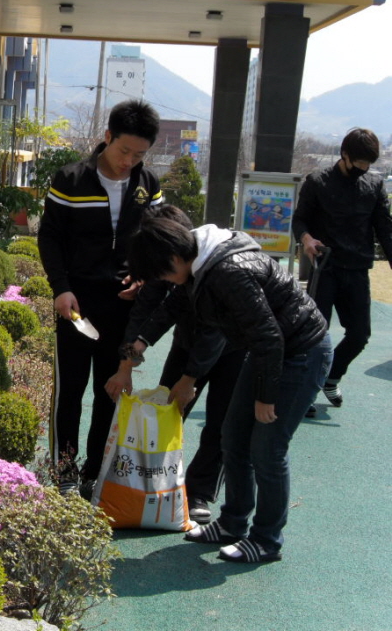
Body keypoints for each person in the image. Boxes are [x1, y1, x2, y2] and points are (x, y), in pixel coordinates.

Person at [127, 216, 331, 563]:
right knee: (233, 437)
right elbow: (177, 304)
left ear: (174, 259)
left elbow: (270, 336)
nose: (163, 280)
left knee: (267, 448)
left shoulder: (227, 272)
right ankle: (233, 523)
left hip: (299, 353)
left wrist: (266, 396)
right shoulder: (199, 264)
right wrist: (139, 343)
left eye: (161, 273)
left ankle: (266, 540)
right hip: (268, 351)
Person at [37, 99, 162, 495]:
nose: (129, 160)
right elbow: (50, 237)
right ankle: (64, 470)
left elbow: (156, 240)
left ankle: (96, 470)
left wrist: (143, 279)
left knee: (110, 389)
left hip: (123, 306)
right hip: (76, 303)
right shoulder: (71, 179)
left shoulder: (148, 186)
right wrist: (61, 288)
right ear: (106, 137)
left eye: (139, 154)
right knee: (70, 390)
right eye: (124, 150)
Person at [105, 204, 246, 524]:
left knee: (222, 423)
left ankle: (198, 491)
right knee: (165, 411)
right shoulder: (161, 265)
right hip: (187, 342)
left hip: (236, 347)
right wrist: (126, 364)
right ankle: (155, 481)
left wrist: (190, 379)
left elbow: (215, 332)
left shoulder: (212, 267)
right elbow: (149, 316)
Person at [292, 127, 392, 415]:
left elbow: (385, 230)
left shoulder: (373, 185)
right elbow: (300, 221)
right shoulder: (318, 181)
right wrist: (307, 238)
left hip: (358, 270)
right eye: (359, 162)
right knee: (314, 334)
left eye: (368, 164)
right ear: (344, 154)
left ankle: (331, 377)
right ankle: (306, 390)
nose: (364, 169)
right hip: (326, 269)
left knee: (360, 335)